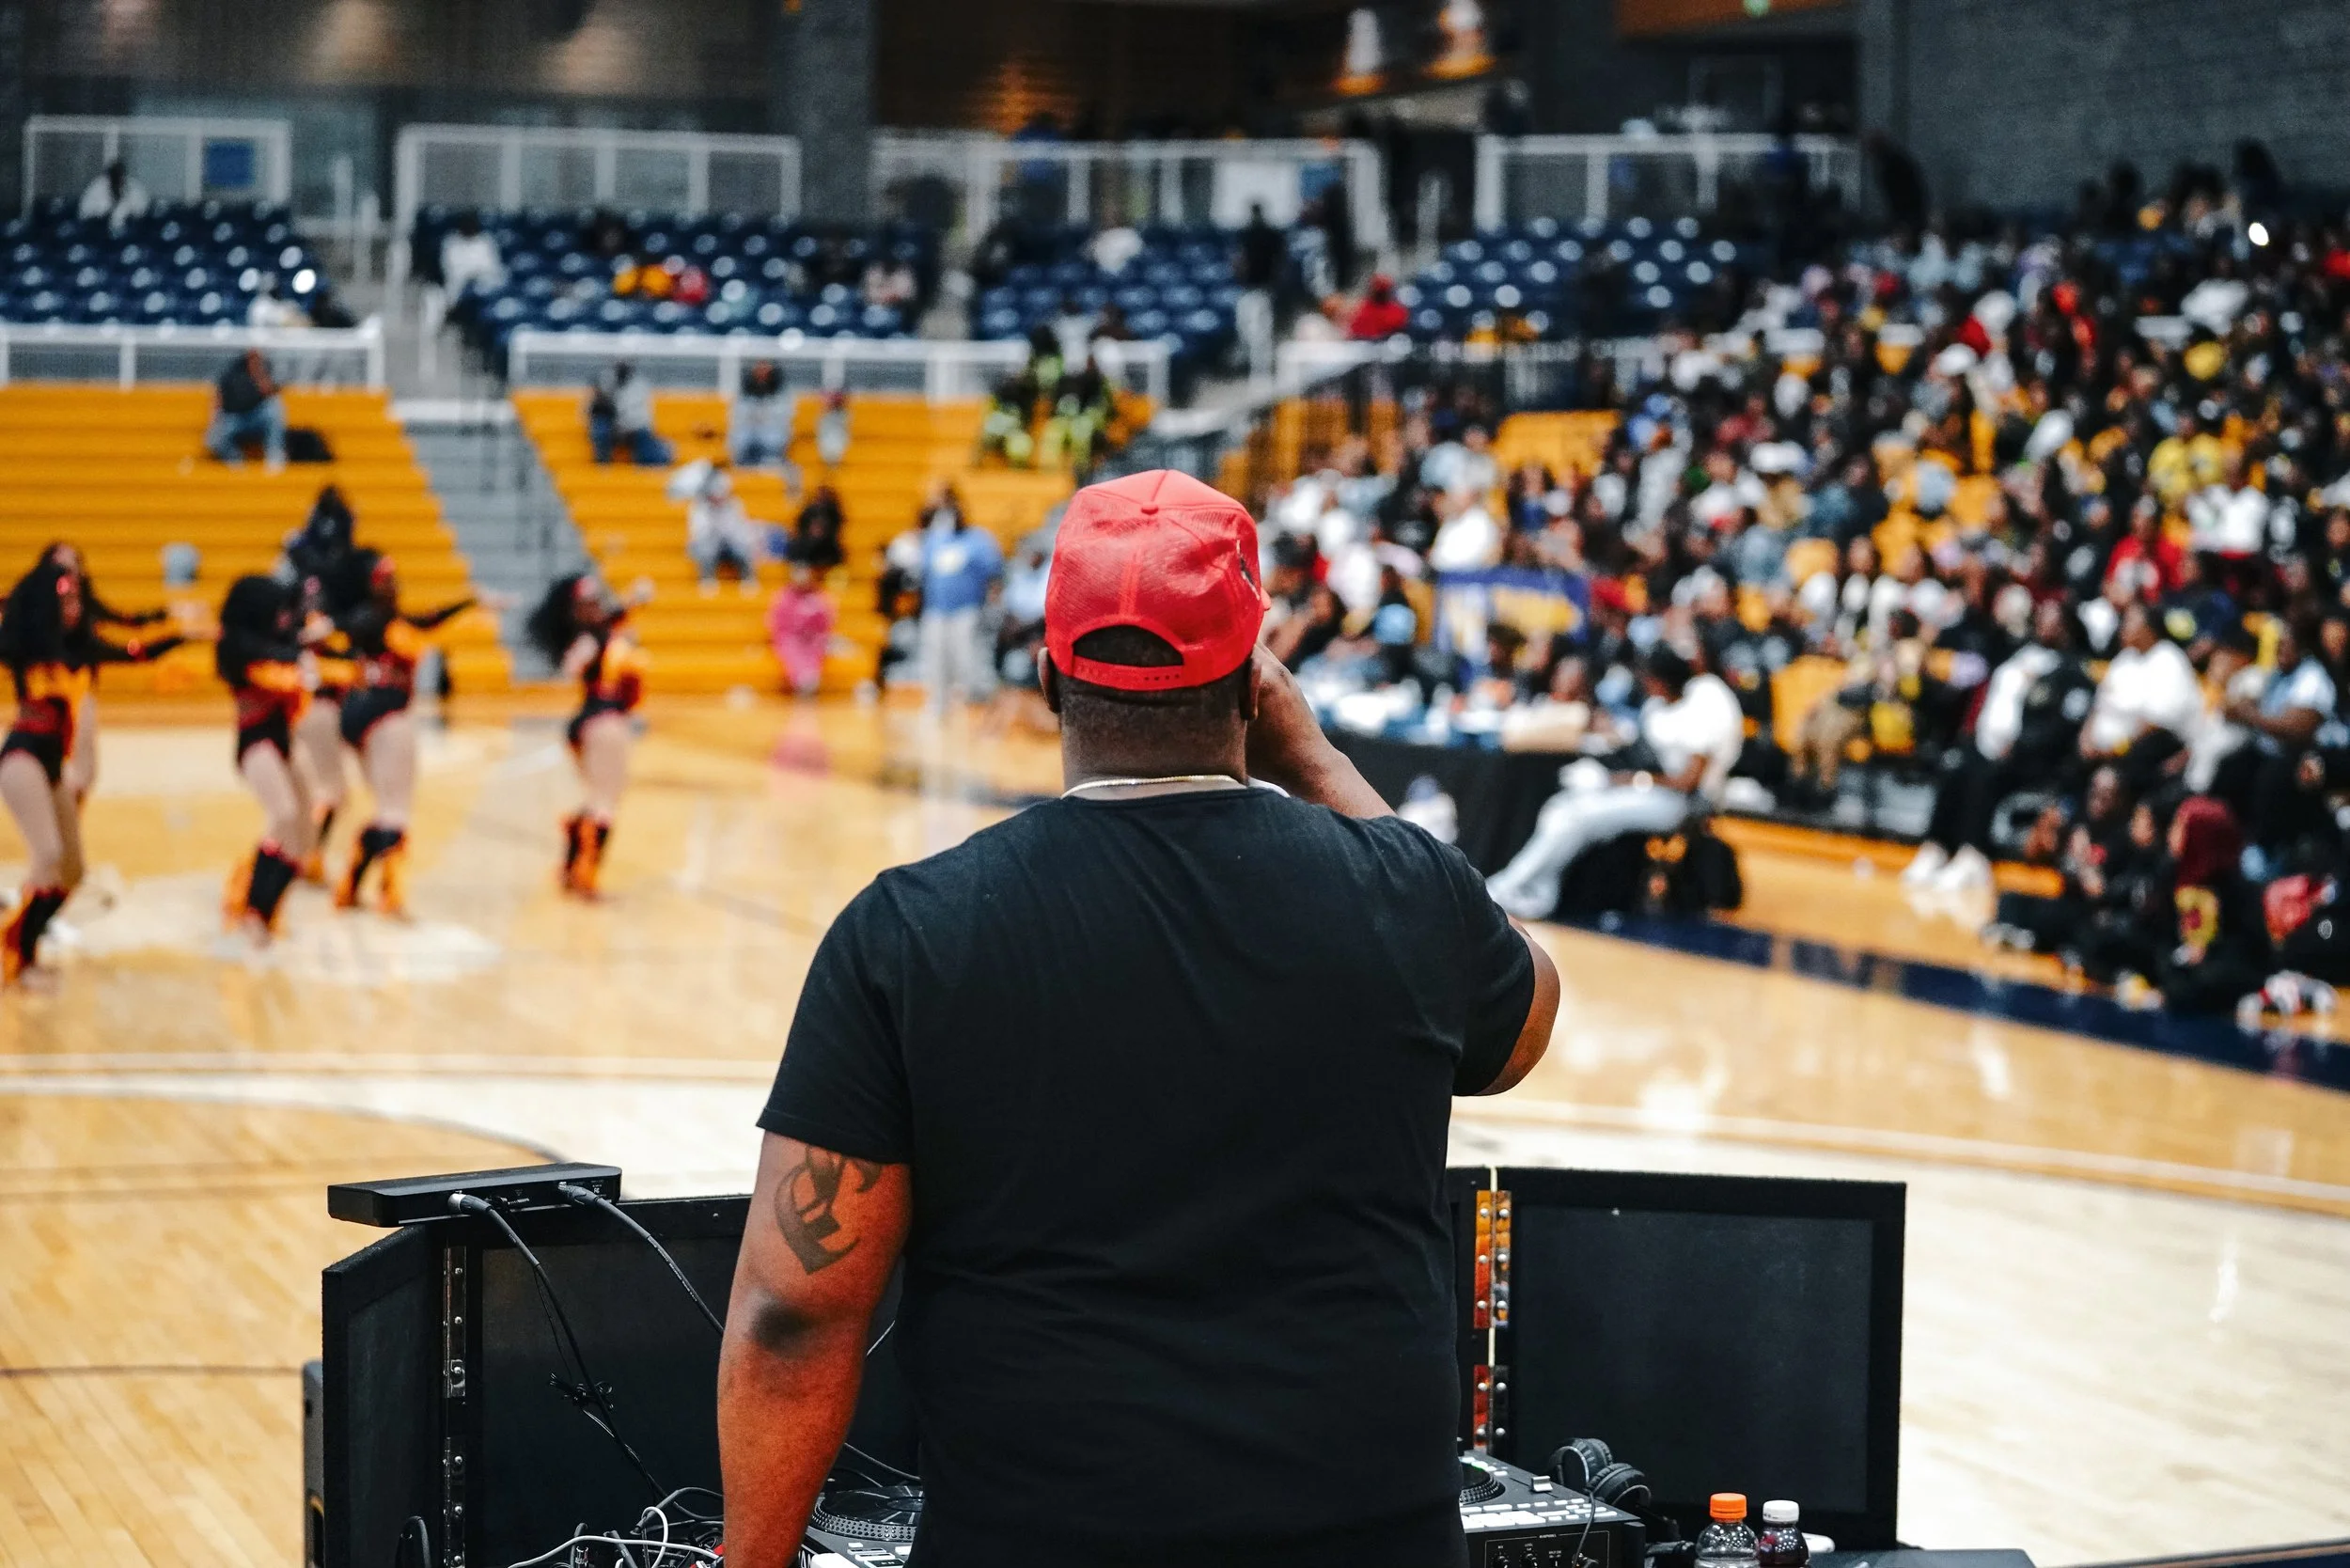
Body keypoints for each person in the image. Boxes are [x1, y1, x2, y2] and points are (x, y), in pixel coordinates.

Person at [718, 468, 1559, 1568]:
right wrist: (1315, 760)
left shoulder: (910, 933)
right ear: (1258, 681)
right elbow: (1524, 1018)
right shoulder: (1405, 891)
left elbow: (796, 1313)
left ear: (1048, 675)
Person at [0, 561, 182, 985]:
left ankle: (21, 940)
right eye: (64, 600)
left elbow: (137, 653)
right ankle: (20, 957)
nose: (73, 608)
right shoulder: (24, 644)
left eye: (77, 599)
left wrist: (182, 636)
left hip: (51, 765)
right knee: (46, 855)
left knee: (74, 871)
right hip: (21, 757)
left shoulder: (82, 648)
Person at [1486, 645, 1746, 920]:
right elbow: (1641, 754)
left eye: (1649, 678)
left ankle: (1508, 886)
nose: (1645, 684)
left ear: (1662, 679)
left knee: (1578, 816)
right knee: (1560, 806)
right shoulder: (1656, 708)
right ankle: (1540, 892)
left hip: (1678, 802)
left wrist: (1628, 780)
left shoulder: (1699, 711)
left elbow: (1687, 783)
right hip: (1647, 789)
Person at [330, 553, 480, 916]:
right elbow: (422, 627)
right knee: (397, 811)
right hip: (385, 716)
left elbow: (427, 620)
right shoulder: (376, 623)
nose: (393, 587)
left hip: (360, 719)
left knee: (386, 809)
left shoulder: (363, 623)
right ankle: (389, 891)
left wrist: (468, 603)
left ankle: (352, 883)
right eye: (385, 580)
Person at [527, 573, 649, 899]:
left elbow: (616, 616)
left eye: (598, 602)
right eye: (589, 604)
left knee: (598, 797)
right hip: (603, 720)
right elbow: (576, 664)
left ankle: (569, 867)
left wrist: (633, 600)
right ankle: (585, 873)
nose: (598, 608)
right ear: (576, 610)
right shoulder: (590, 638)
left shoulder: (601, 632)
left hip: (595, 720)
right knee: (604, 803)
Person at [214, 574, 315, 942]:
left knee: (303, 830)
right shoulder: (240, 648)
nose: (285, 619)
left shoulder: (278, 642)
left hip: (282, 740)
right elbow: (278, 664)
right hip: (255, 742)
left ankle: (266, 907)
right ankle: (254, 910)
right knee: (283, 815)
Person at [916, 487, 1001, 714]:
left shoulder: (978, 539)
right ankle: (938, 704)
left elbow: (994, 574)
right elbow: (924, 573)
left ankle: (975, 703)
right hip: (936, 609)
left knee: (967, 659)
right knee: (936, 659)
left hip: (967, 610)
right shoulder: (933, 541)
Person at [685, 465, 770, 593]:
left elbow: (739, 530)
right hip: (709, 544)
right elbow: (698, 533)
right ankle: (707, 578)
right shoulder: (699, 508)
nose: (718, 498)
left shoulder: (734, 504)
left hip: (730, 544)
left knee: (743, 545)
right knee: (706, 547)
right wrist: (715, 531)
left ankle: (748, 578)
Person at [206, 350, 287, 471]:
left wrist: (258, 371)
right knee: (213, 438)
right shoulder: (232, 372)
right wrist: (214, 421)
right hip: (235, 417)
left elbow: (268, 390)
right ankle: (236, 463)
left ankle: (274, 457)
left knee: (274, 407)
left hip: (256, 417)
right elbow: (220, 398)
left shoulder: (265, 369)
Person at [767, 564, 835, 698]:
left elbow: (827, 621)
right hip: (789, 638)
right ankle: (802, 681)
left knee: (818, 650)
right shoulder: (783, 597)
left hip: (814, 638)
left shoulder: (819, 597)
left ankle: (811, 679)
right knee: (792, 652)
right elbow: (776, 623)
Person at [587, 362, 672, 467]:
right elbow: (588, 413)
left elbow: (642, 417)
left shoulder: (639, 387)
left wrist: (625, 426)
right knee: (600, 426)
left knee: (644, 435)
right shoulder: (603, 382)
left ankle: (646, 465)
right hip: (610, 429)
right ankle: (602, 463)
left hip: (633, 429)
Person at [731, 360, 799, 478]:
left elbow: (786, 414)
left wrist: (764, 414)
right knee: (741, 434)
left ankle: (771, 462)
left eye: (765, 370)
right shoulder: (745, 391)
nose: (762, 373)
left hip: (772, 431)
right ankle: (743, 465)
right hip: (751, 430)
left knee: (774, 435)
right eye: (759, 370)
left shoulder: (781, 392)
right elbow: (738, 413)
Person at [77, 159, 150, 230]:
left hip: (128, 228)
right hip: (97, 227)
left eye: (120, 176)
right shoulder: (97, 187)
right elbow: (86, 212)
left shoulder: (133, 187)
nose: (119, 179)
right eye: (115, 176)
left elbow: (142, 209)